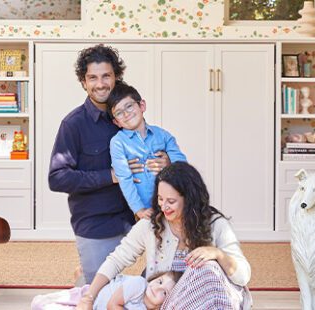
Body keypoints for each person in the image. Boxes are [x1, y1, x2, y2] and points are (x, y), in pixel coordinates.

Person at [48, 44, 170, 285]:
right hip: (98, 221)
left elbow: (151, 154)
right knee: (99, 289)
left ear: (116, 77)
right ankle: (85, 276)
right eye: (92, 78)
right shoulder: (73, 124)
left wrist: (166, 162)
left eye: (106, 76)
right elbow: (57, 178)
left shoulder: (127, 115)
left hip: (140, 214)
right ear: (84, 82)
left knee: (166, 273)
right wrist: (111, 176)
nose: (100, 83)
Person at [77, 162, 252, 310]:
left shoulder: (216, 225)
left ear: (189, 199)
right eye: (160, 199)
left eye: (171, 201)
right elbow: (117, 259)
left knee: (208, 267)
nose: (164, 206)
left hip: (212, 299)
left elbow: (243, 275)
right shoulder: (151, 225)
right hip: (169, 304)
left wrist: (217, 254)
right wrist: (89, 297)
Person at [107, 82, 187, 220]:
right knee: (148, 240)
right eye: (119, 113)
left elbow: (183, 166)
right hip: (145, 210)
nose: (126, 114)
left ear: (142, 106)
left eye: (129, 106)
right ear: (116, 122)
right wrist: (139, 209)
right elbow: (124, 178)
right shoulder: (118, 142)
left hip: (172, 206)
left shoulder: (162, 135)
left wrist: (169, 163)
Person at [31, 271, 182, 310]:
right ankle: (81, 274)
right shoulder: (139, 284)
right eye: (160, 281)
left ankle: (81, 275)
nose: (157, 288)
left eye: (165, 292)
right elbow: (113, 305)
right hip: (88, 297)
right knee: (39, 304)